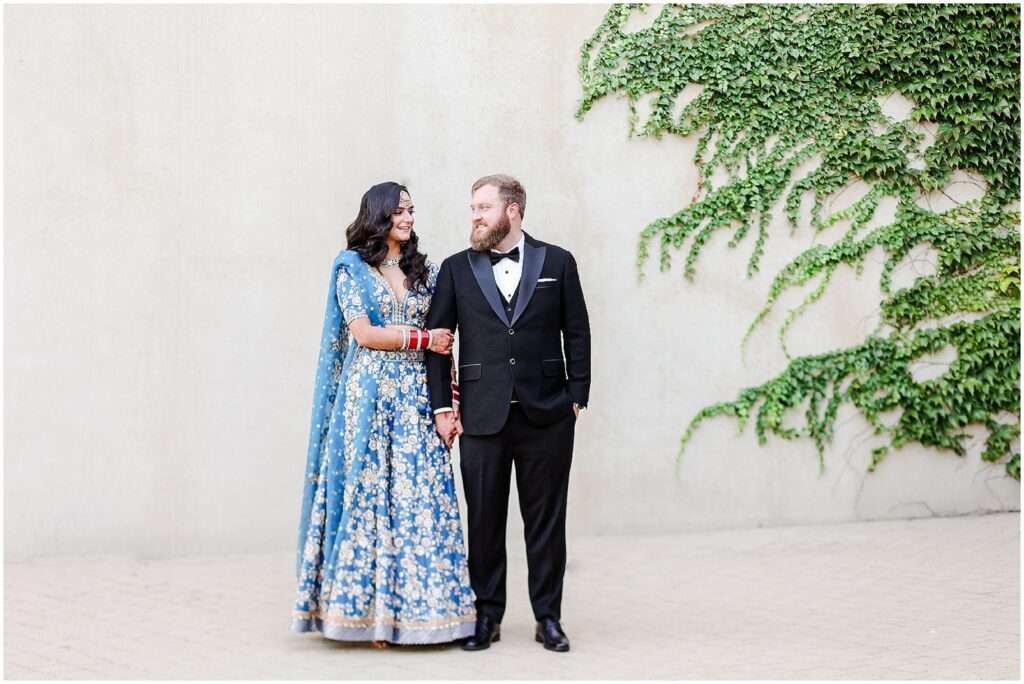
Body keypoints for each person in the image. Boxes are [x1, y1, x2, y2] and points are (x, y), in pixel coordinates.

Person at [292, 182, 476, 647]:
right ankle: (372, 617)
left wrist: (448, 402)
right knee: (373, 498)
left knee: (423, 495)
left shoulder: (423, 270)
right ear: (378, 216)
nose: (409, 219)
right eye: (399, 212)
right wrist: (419, 338)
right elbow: (365, 334)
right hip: (369, 396)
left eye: (412, 210)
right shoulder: (351, 267)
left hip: (417, 394)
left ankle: (429, 613)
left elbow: (444, 336)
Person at [426, 174, 591, 653]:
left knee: (546, 523)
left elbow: (576, 332)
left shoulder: (558, 262)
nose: (475, 216)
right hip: (481, 416)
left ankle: (549, 618)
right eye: (473, 208)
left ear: (513, 210)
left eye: (483, 207)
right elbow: (439, 344)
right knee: (485, 522)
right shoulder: (456, 269)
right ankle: (487, 617)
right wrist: (442, 406)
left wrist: (576, 396)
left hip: (548, 415)